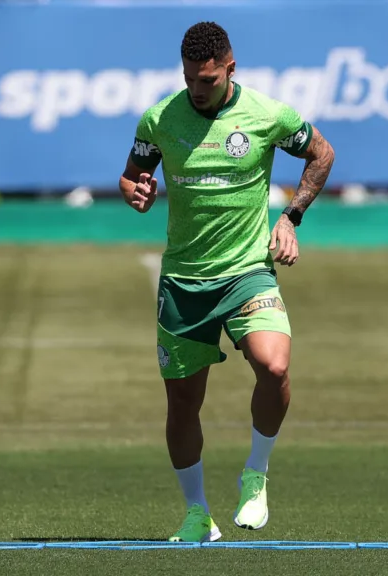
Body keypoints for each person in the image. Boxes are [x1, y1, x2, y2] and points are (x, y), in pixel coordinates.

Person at [119, 21, 335, 543]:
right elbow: (130, 175)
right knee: (182, 405)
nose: (197, 89)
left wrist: (291, 218)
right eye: (189, 78)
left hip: (246, 272)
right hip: (184, 283)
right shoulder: (159, 119)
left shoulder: (267, 115)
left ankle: (255, 474)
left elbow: (322, 154)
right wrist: (135, 192)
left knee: (274, 366)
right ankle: (197, 515)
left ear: (230, 69)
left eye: (208, 80)